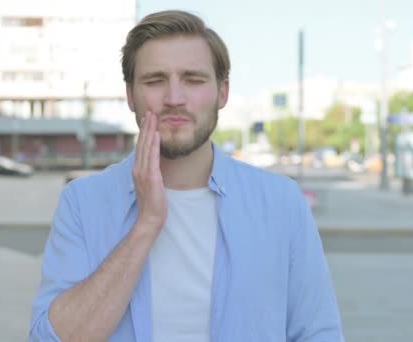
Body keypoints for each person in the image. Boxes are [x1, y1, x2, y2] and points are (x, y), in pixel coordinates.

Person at [30, 10, 343, 342]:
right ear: (130, 95)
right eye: (155, 81)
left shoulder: (281, 201)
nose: (174, 99)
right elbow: (52, 338)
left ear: (222, 93)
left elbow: (317, 333)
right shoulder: (82, 202)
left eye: (193, 79)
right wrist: (147, 223)